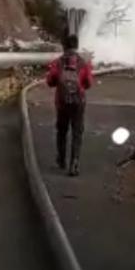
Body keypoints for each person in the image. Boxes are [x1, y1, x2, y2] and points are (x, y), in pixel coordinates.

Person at [46, 34, 93, 176]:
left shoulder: (58, 62)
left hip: (62, 103)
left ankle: (61, 160)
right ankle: (74, 164)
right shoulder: (83, 63)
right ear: (77, 46)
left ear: (63, 46)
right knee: (77, 133)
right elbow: (89, 83)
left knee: (62, 131)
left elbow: (50, 81)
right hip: (78, 103)